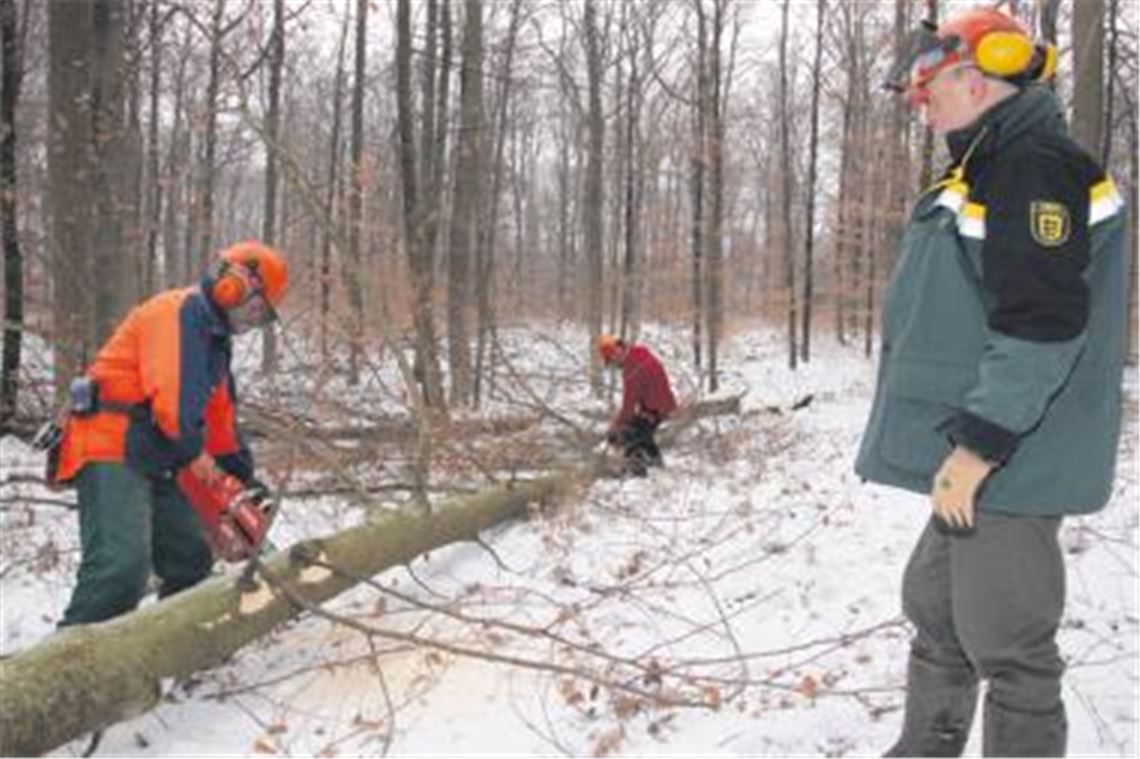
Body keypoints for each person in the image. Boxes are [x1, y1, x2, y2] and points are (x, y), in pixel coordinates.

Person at [858, 8, 1127, 757]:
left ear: (977, 79)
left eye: (929, 83)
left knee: (1008, 640)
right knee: (938, 608)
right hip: (986, 450)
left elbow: (1043, 323)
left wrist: (979, 448)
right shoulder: (984, 163)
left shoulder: (1032, 165)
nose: (920, 100)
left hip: (1013, 457)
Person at [53, 241, 289, 626]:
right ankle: (69, 671)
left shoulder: (215, 342)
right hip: (109, 441)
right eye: (257, 309)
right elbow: (175, 411)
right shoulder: (179, 313)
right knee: (121, 566)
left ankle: (180, 645)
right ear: (236, 286)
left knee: (189, 556)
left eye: (262, 317)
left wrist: (243, 480)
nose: (253, 321)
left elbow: (220, 423)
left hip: (157, 450)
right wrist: (203, 464)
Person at [596, 334, 677, 476]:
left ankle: (637, 472)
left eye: (612, 359)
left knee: (628, 435)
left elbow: (628, 408)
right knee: (642, 433)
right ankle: (655, 465)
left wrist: (614, 426)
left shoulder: (631, 370)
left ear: (617, 352)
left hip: (656, 409)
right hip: (664, 404)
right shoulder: (640, 352)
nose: (614, 364)